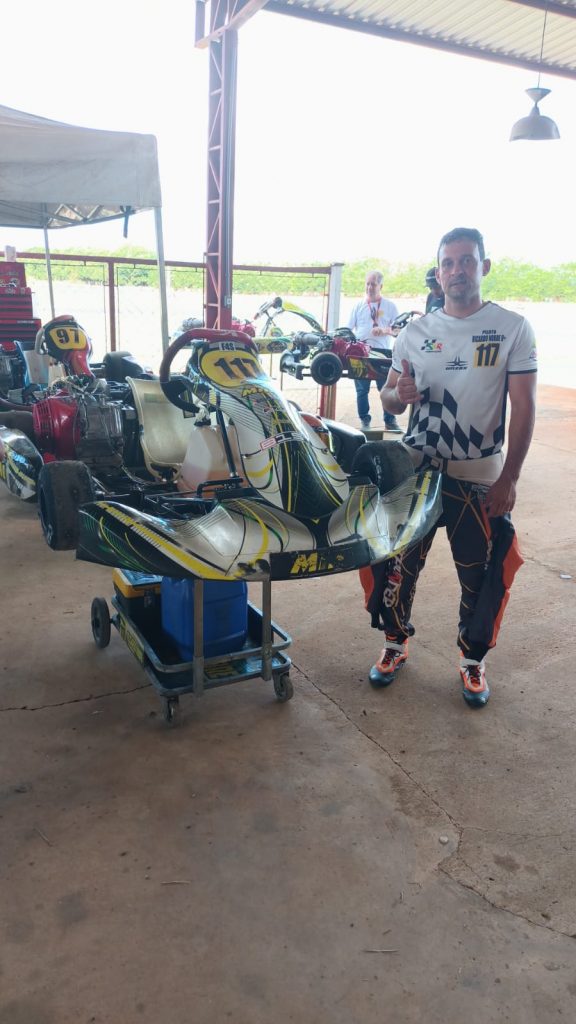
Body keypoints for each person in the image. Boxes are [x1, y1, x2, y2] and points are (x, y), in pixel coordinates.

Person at [360, 227, 537, 708]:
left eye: (467, 261)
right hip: (417, 473)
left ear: (484, 267)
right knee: (395, 567)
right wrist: (399, 395)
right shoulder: (415, 333)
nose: (457, 270)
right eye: (448, 263)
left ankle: (472, 659)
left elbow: (524, 407)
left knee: (482, 575)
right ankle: (394, 643)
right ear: (438, 273)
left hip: (479, 477)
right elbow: (389, 398)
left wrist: (509, 478)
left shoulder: (512, 328)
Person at [347, 271, 402, 433]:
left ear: (381, 286)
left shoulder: (390, 306)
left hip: (382, 355)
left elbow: (399, 330)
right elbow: (348, 330)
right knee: (361, 391)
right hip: (361, 354)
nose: (370, 287)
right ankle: (365, 421)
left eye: (373, 284)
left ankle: (390, 421)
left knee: (386, 388)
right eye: (368, 284)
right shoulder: (358, 306)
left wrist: (384, 330)